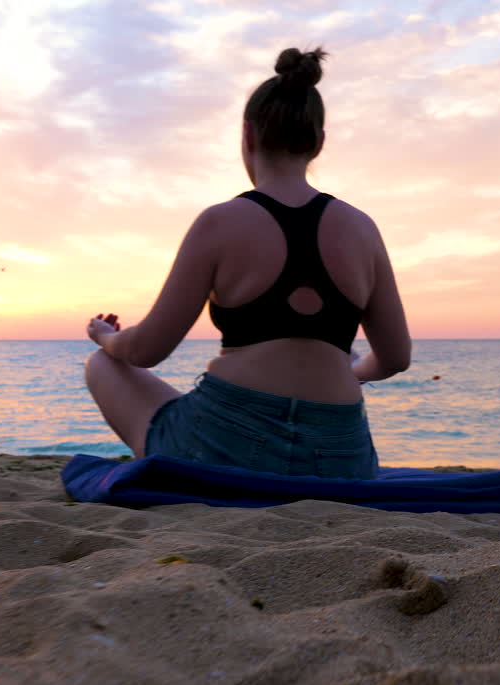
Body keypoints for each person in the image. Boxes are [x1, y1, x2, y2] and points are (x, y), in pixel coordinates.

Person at [83, 47, 411, 479]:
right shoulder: (362, 229)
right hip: (341, 459)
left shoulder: (219, 223)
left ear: (248, 135)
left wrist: (105, 338)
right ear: (318, 142)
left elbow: (146, 351)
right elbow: (395, 358)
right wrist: (353, 367)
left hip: (227, 448)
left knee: (102, 366)